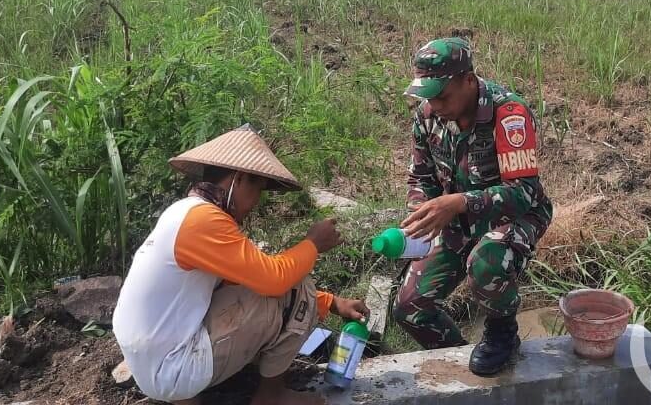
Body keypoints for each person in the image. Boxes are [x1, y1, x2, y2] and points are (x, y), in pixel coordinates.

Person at [113, 124, 369, 405]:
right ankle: (271, 396)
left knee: (265, 288)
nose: (257, 201)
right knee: (299, 285)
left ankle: (187, 395)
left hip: (150, 361)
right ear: (239, 178)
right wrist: (312, 244)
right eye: (258, 188)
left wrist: (331, 302)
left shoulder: (184, 213)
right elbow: (274, 282)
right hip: (172, 368)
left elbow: (242, 281)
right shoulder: (205, 220)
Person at [393, 37, 553, 375]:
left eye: (442, 96)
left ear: (468, 80)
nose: (434, 105)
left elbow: (523, 192)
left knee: (485, 262)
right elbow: (420, 177)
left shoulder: (508, 114)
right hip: (456, 219)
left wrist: (460, 202)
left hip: (514, 214)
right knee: (409, 308)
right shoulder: (428, 116)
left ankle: (501, 331)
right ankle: (458, 355)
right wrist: (421, 212)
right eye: (428, 96)